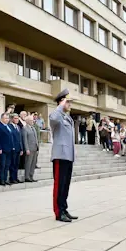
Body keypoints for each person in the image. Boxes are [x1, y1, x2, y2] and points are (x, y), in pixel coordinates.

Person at [49, 89, 78, 223]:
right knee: (59, 185)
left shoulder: (67, 117)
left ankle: (64, 208)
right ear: (62, 102)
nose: (69, 105)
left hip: (68, 156)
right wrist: (61, 105)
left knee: (65, 185)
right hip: (60, 155)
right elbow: (54, 118)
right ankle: (58, 212)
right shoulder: (57, 115)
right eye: (68, 102)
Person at [0, 113, 13, 186]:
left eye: (8, 118)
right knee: (2, 165)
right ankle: (1, 180)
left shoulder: (8, 126)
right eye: (5, 118)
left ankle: (5, 179)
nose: (7, 120)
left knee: (7, 165)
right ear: (1, 118)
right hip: (2, 149)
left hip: (9, 149)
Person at [22, 115, 39, 182]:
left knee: (33, 163)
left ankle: (31, 176)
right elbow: (25, 140)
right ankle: (27, 177)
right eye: (31, 120)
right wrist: (27, 149)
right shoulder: (25, 128)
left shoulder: (33, 128)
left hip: (35, 148)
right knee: (28, 163)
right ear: (28, 121)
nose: (33, 122)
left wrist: (37, 147)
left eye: (33, 120)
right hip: (29, 149)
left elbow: (36, 138)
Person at [10, 113, 24, 184]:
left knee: (16, 164)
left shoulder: (18, 127)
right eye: (15, 118)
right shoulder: (9, 126)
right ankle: (12, 178)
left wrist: (21, 149)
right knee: (12, 164)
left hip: (18, 148)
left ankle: (15, 177)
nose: (17, 120)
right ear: (12, 119)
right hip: (13, 148)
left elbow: (20, 139)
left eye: (18, 118)